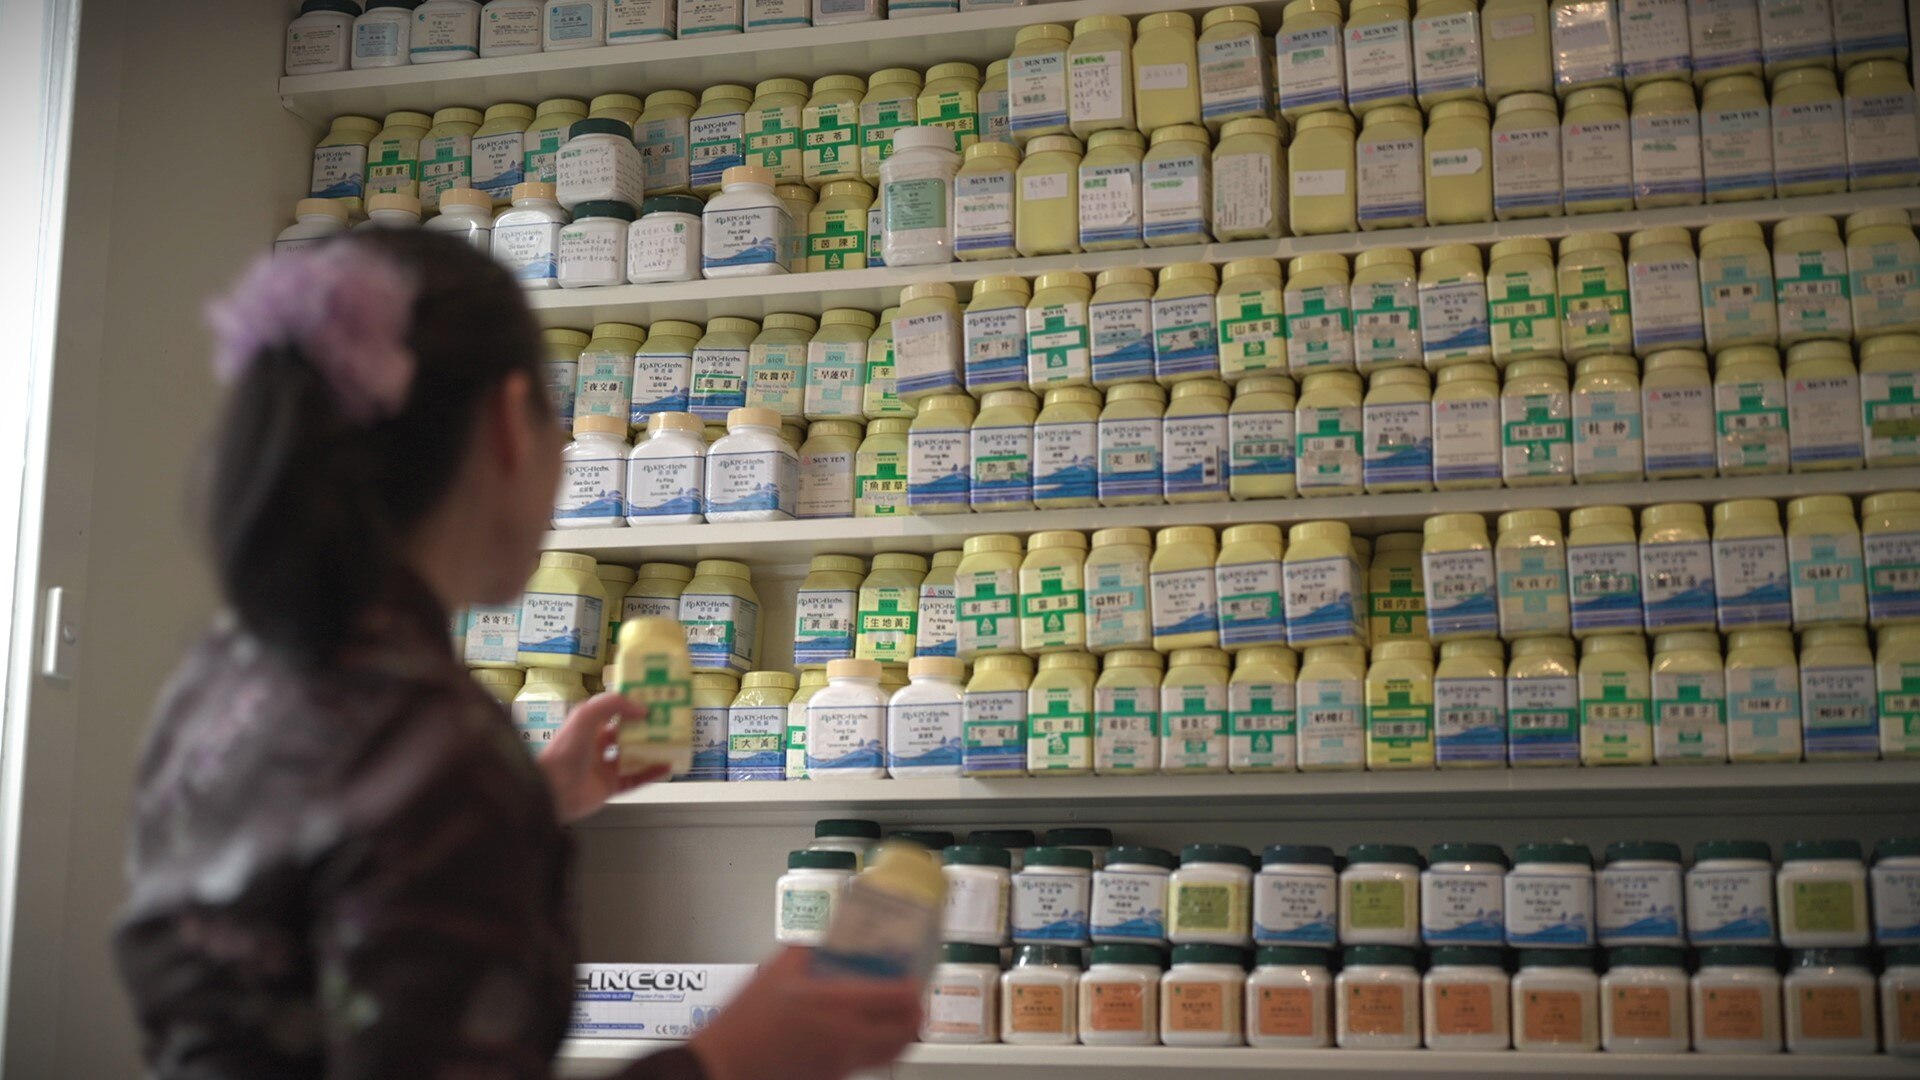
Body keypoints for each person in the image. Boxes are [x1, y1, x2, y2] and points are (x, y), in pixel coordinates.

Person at [112, 231, 922, 1079]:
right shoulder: (439, 750)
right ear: (507, 423)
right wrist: (733, 1057)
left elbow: (313, 913)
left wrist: (531, 798)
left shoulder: (221, 673)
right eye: (555, 420)